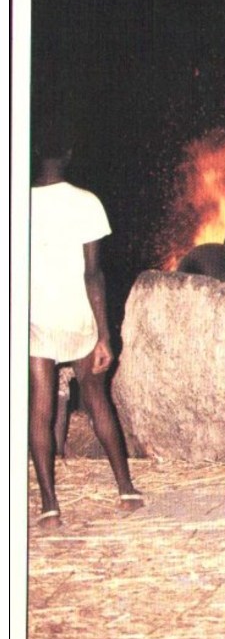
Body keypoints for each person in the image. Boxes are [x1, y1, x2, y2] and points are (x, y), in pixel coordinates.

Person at [29, 146, 143, 528]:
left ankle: (49, 506)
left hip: (34, 316)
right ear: (69, 154)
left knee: (40, 408)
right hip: (75, 313)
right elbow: (93, 274)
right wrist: (104, 335)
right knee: (96, 399)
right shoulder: (86, 202)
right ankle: (126, 489)